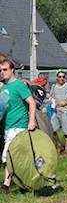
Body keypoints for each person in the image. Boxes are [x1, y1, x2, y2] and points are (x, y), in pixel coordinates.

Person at [0, 59, 36, 194]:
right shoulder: (4, 87)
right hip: (8, 126)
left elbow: (31, 102)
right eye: (1, 70)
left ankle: (7, 185)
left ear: (12, 70)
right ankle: (12, 184)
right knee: (13, 156)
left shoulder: (19, 85)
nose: (2, 72)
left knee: (8, 155)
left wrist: (31, 121)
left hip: (19, 125)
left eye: (5, 70)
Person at [50, 70, 67, 155]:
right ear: (56, 77)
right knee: (52, 128)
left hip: (65, 110)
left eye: (63, 77)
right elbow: (51, 96)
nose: (62, 78)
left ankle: (66, 150)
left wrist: (66, 102)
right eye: (60, 77)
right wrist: (52, 101)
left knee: (65, 131)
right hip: (56, 110)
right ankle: (59, 144)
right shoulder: (53, 86)